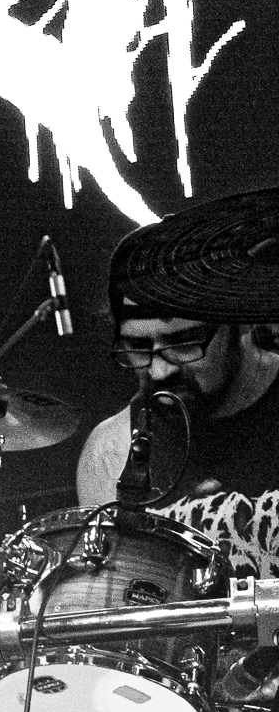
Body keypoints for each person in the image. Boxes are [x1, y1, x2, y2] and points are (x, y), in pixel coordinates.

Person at [76, 225, 279, 576]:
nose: (158, 371)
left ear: (242, 323)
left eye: (183, 343)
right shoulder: (110, 452)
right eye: (138, 347)